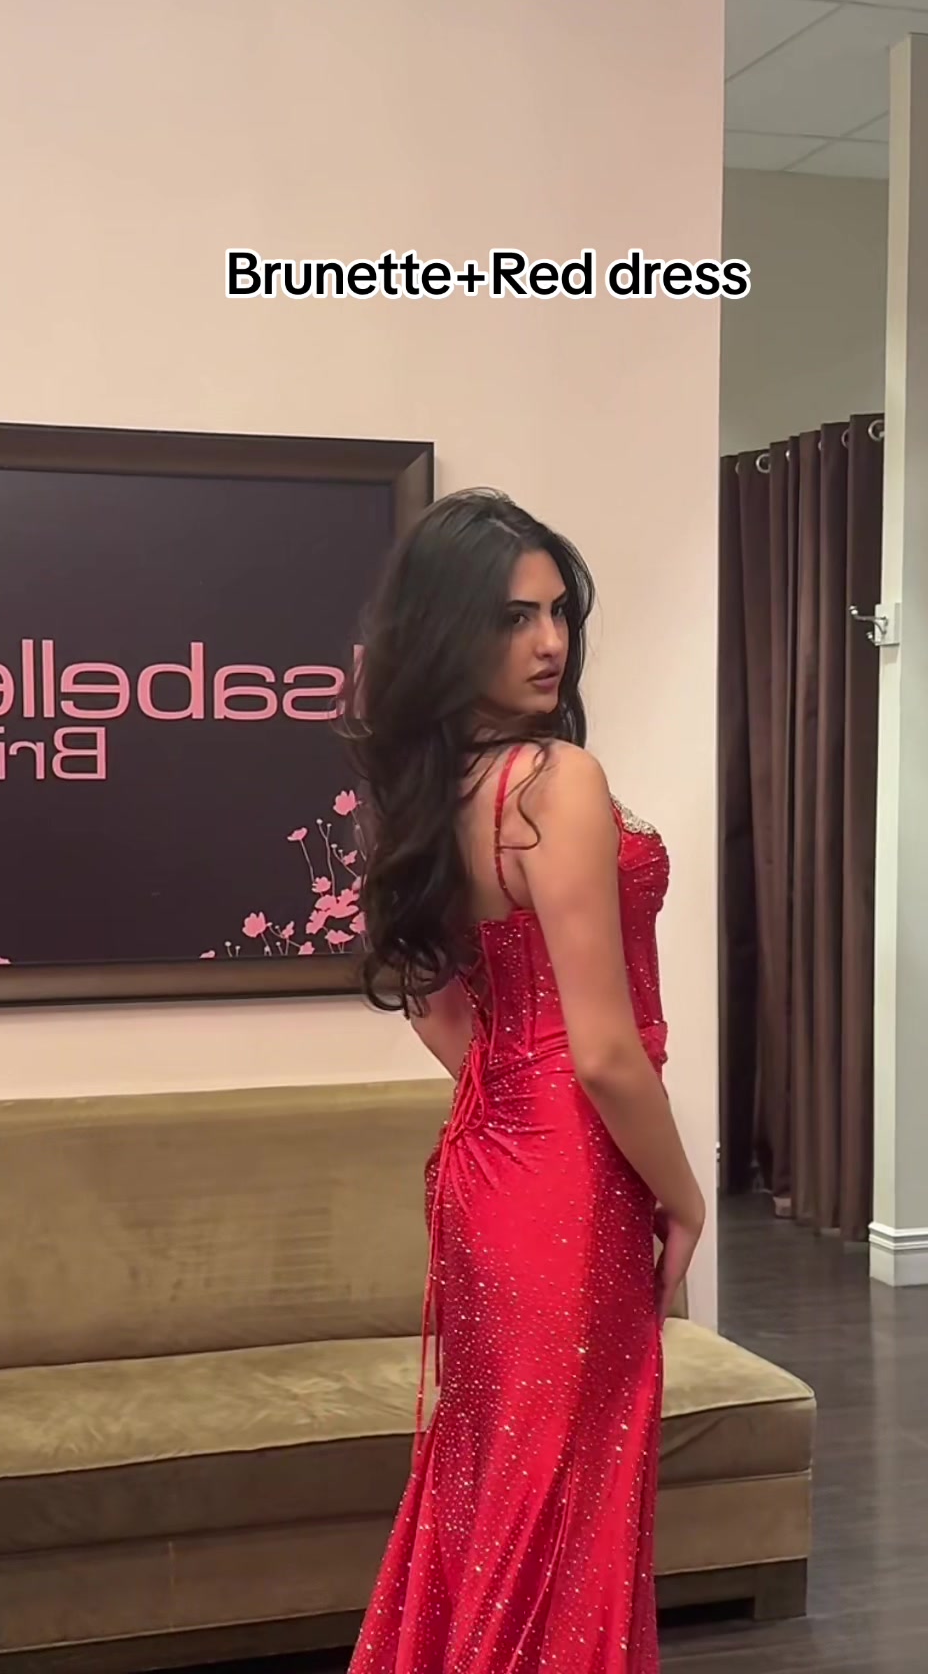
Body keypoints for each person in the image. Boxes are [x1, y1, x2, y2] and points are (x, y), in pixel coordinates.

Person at [343, 489, 705, 1674]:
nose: (550, 642)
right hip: (571, 1176)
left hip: (489, 1167)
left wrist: (510, 1089)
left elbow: (437, 1003)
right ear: (451, 631)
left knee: (498, 1474)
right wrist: (687, 1199)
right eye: (514, 617)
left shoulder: (433, 789)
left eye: (559, 614)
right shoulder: (556, 779)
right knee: (568, 1492)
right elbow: (605, 1052)